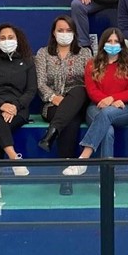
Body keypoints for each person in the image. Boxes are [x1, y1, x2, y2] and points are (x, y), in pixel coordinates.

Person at [62, 28, 128, 183]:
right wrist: (106, 101)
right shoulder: (92, 64)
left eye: (116, 41)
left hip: (124, 109)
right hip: (96, 106)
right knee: (107, 130)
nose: (113, 44)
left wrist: (112, 99)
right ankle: (106, 180)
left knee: (107, 114)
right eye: (109, 41)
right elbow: (91, 91)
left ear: (122, 44)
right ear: (103, 43)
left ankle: (83, 158)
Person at [0, 23, 36, 201]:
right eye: (3, 38)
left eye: (10, 37)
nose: (7, 41)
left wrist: (15, 106)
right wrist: (2, 104)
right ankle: (14, 158)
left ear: (18, 40)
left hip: (18, 108)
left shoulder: (27, 62)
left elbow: (31, 90)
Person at [35, 17, 91, 185]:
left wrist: (67, 100)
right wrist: (54, 97)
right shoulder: (43, 53)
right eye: (60, 30)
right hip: (53, 104)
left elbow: (89, 81)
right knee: (71, 120)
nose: (64, 34)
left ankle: (51, 134)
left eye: (68, 30)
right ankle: (66, 176)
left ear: (74, 33)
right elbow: (40, 83)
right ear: (54, 32)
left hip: (79, 101)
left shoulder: (84, 53)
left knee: (79, 90)